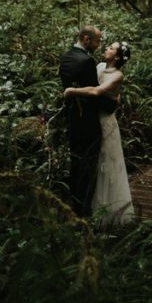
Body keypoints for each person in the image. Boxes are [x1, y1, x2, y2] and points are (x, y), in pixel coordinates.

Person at [64, 41, 135, 226]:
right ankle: (89, 207)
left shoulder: (118, 75)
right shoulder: (100, 66)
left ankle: (108, 213)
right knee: (92, 162)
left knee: (107, 163)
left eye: (111, 48)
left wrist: (72, 91)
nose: (106, 48)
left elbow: (96, 91)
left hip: (105, 123)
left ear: (117, 57)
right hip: (91, 120)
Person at [59, 26, 103, 217]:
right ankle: (83, 211)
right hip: (87, 121)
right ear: (86, 39)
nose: (98, 45)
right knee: (87, 165)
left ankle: (74, 204)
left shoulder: (66, 56)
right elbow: (94, 94)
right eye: (96, 41)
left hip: (72, 119)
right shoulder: (87, 61)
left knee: (75, 162)